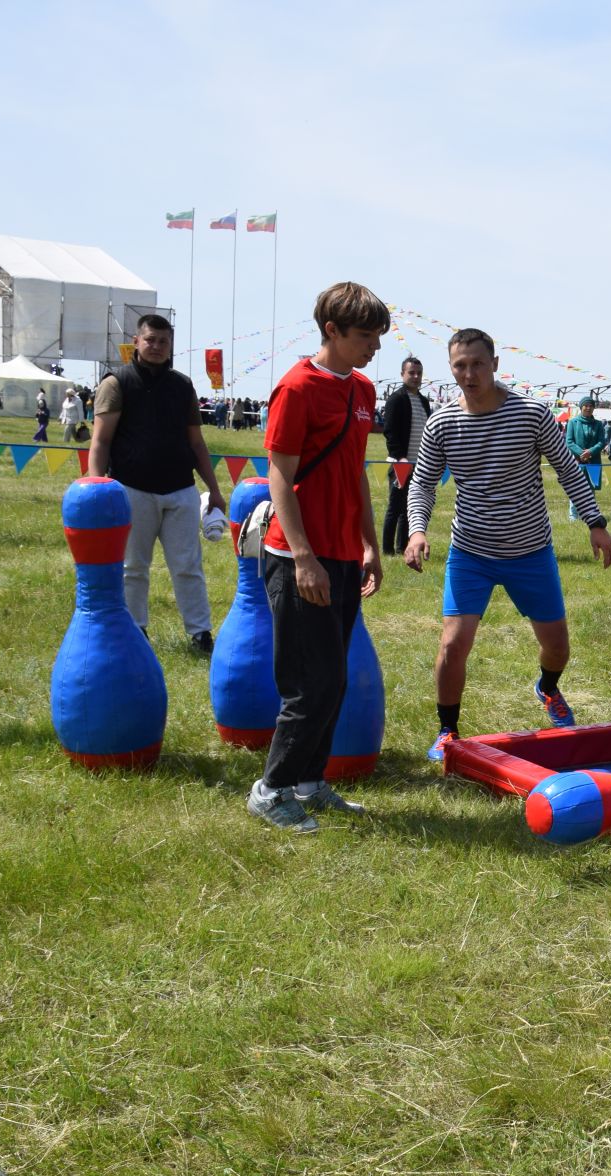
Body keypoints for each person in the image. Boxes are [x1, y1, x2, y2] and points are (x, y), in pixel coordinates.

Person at [405, 328, 611, 759]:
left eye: (478, 363)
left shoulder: (531, 414)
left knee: (557, 646)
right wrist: (417, 530)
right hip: (471, 553)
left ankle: (548, 687)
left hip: (530, 550)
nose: (469, 373)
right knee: (452, 644)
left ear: (495, 364)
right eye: (460, 366)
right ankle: (448, 731)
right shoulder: (442, 422)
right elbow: (422, 482)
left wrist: (595, 522)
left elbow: (568, 469)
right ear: (451, 369)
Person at [247, 282, 388, 834]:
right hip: (295, 555)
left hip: (342, 556)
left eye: (378, 335)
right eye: (364, 336)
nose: (374, 346)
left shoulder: (365, 390)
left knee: (336, 679)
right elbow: (279, 476)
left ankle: (309, 783)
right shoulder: (296, 388)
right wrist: (303, 556)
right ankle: (270, 789)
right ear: (332, 331)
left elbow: (355, 472)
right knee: (312, 683)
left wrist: (370, 545)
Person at [90, 313, 225, 654]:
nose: (156, 346)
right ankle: (136, 632)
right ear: (136, 341)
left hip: (180, 490)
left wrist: (215, 489)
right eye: (150, 339)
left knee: (188, 567)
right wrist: (95, 485)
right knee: (133, 567)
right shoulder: (115, 383)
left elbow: (196, 443)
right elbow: (101, 440)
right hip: (131, 488)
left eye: (163, 341)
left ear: (171, 346)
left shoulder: (182, 386)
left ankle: (200, 634)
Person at [379, 357, 430, 553]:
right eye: (411, 373)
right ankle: (387, 550)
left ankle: (402, 547)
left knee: (410, 509)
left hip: (419, 464)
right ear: (402, 374)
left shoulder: (424, 402)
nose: (416, 377)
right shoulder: (396, 399)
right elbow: (389, 432)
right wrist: (400, 457)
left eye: (419, 373)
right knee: (395, 508)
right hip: (399, 463)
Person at [562, 392, 609, 521]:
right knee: (575, 488)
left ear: (594, 408)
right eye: (586, 405)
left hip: (593, 461)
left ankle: (589, 515)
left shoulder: (599, 424)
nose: (588, 408)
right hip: (576, 461)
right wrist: (582, 453)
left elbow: (601, 442)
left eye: (591, 406)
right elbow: (569, 441)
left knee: (590, 489)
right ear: (581, 407)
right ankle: (573, 516)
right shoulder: (572, 422)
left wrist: (591, 452)